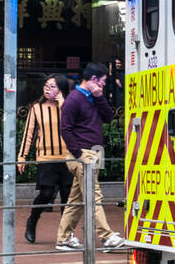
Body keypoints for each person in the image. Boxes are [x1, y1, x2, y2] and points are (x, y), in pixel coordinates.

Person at [56, 62, 121, 252]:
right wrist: (78, 154)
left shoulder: (94, 97)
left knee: (76, 200)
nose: (103, 85)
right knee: (94, 195)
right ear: (93, 79)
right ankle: (107, 237)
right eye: (102, 81)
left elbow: (108, 117)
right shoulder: (74, 99)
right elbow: (65, 129)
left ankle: (63, 238)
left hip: (92, 151)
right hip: (84, 154)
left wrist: (100, 97)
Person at [16, 75, 72, 244]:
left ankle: (65, 235)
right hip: (46, 157)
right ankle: (32, 220)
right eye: (46, 86)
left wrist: (63, 104)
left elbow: (75, 126)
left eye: (53, 86)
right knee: (46, 193)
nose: (48, 89)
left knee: (66, 197)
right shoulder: (36, 108)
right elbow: (29, 134)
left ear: (61, 89)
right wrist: (22, 156)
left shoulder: (69, 107)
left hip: (68, 157)